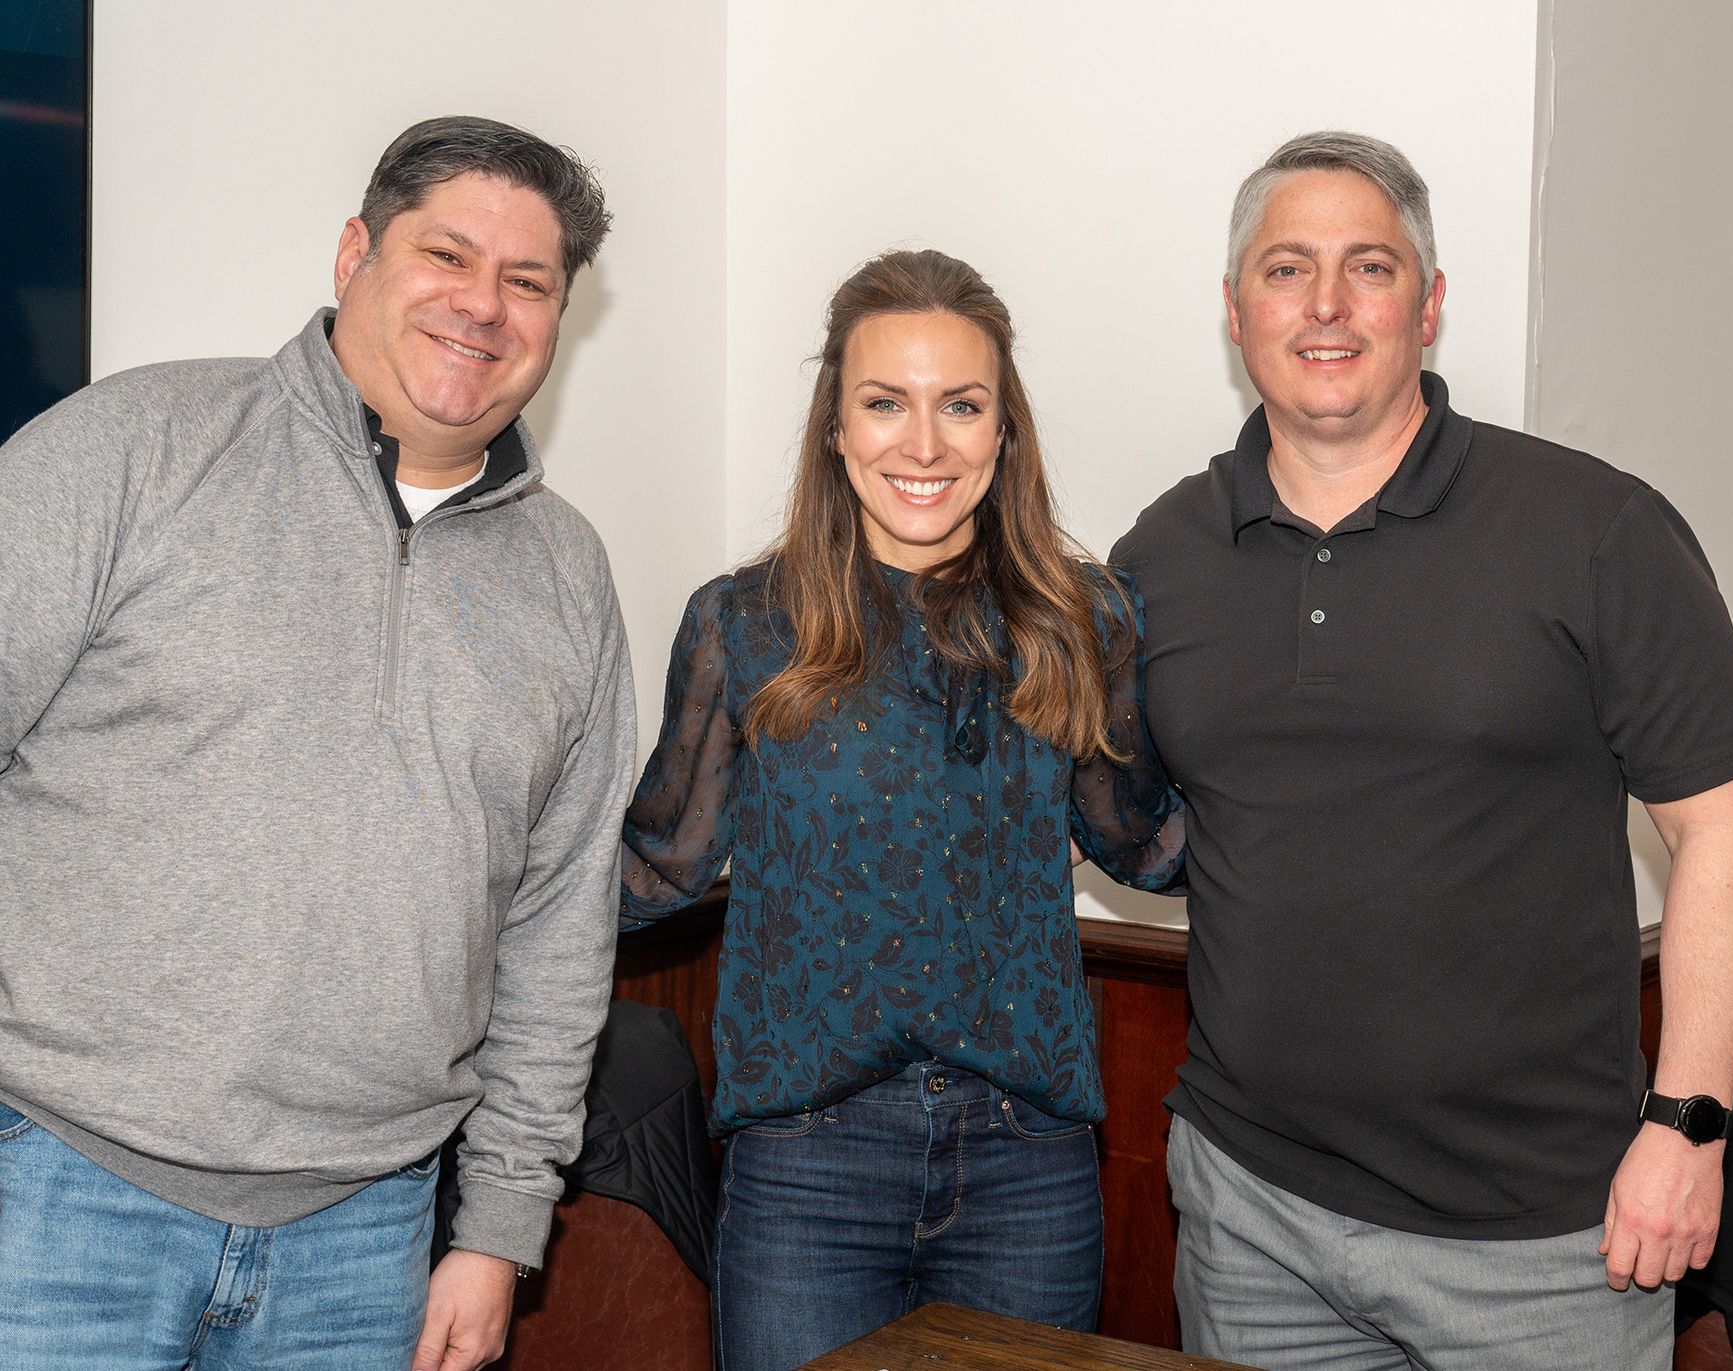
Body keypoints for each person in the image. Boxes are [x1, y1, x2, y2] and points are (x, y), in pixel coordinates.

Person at [1112, 131, 1733, 1371]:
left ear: (1428, 305)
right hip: (1253, 1221)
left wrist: (1688, 1128)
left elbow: (1728, 831)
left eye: (1368, 267)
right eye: (1285, 268)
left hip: (1544, 1252)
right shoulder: (1161, 556)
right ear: (1233, 308)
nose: (1325, 305)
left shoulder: (1596, 530)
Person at [0, 116, 636, 1371]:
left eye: (528, 281)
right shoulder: (132, 448)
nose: (483, 306)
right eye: (445, 255)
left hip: (371, 1235)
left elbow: (560, 929)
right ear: (355, 253)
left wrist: (501, 1229)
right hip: (55, 1203)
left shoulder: (568, 576)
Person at [621, 248, 1185, 1371]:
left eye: (960, 406)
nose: (922, 445)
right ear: (836, 427)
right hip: (803, 1170)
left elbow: (1143, 844)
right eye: (885, 404)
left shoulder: (1085, 621)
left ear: (1003, 430)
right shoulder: (744, 624)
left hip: (1030, 1164)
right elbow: (656, 870)